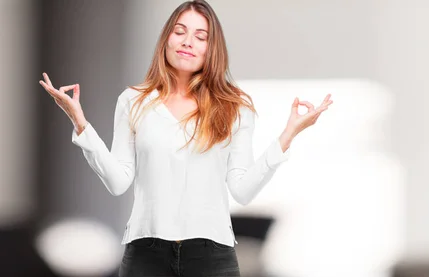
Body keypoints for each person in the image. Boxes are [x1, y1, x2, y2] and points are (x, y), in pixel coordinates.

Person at [38, 1, 333, 276]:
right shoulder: (133, 101)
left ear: (212, 48)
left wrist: (288, 134)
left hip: (212, 255)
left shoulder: (235, 107)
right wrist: (80, 123)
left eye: (200, 36)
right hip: (145, 253)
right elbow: (118, 181)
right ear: (166, 39)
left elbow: (242, 190)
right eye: (180, 31)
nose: (187, 41)